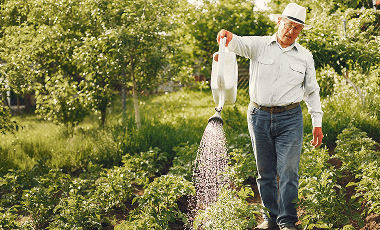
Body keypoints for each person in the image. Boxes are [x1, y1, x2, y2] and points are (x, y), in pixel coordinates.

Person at [216, 3, 323, 230]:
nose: (291, 31)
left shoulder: (305, 56)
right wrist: (227, 37)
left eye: (297, 28)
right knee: (265, 172)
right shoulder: (259, 45)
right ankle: (270, 219)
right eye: (288, 25)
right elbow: (238, 43)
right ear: (279, 21)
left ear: (301, 31)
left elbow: (312, 91)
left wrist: (317, 123)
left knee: (288, 172)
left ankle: (287, 221)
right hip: (259, 116)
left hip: (290, 118)